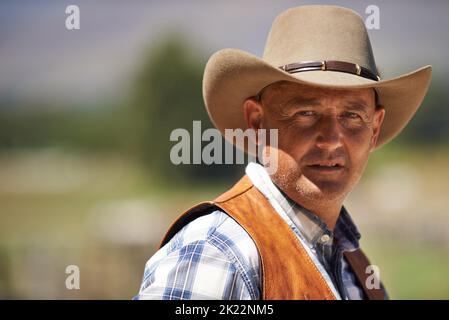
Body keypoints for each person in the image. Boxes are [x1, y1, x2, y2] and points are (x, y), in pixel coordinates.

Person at [135, 5, 431, 300]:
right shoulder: (217, 252)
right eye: (305, 112)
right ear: (257, 121)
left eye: (352, 115)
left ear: (374, 128)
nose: (331, 140)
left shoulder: (356, 269)